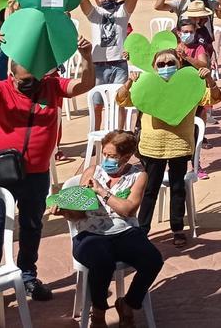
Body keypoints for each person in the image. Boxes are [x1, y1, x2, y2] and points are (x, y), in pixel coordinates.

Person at [0, 32, 95, 313]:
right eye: (24, 81)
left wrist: (86, 56)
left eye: (34, 79)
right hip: (0, 173)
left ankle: (28, 276)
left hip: (36, 173)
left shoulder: (51, 86)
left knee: (32, 226)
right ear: (12, 78)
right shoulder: (1, 89)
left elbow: (84, 84)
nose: (31, 85)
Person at [55, 130, 163, 328]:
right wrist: (64, 211)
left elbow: (128, 210)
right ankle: (98, 312)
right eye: (104, 154)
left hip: (124, 231)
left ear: (126, 156)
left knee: (153, 259)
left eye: (112, 156)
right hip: (90, 233)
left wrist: (102, 192)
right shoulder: (92, 171)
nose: (106, 159)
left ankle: (128, 304)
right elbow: (79, 211)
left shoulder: (138, 176)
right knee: (101, 261)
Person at [116, 49, 219, 246]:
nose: (166, 67)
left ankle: (177, 228)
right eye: (161, 64)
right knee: (149, 189)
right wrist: (130, 82)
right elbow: (121, 99)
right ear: (154, 67)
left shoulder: (189, 85)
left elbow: (214, 98)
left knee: (178, 187)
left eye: (170, 63)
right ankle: (143, 229)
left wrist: (209, 80)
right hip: (152, 147)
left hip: (179, 146)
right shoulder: (144, 85)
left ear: (179, 64)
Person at [81, 0, 142, 125]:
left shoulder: (123, 12)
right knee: (97, 105)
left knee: (119, 103)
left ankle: (119, 135)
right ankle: (95, 139)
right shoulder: (95, 13)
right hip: (98, 65)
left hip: (119, 63)